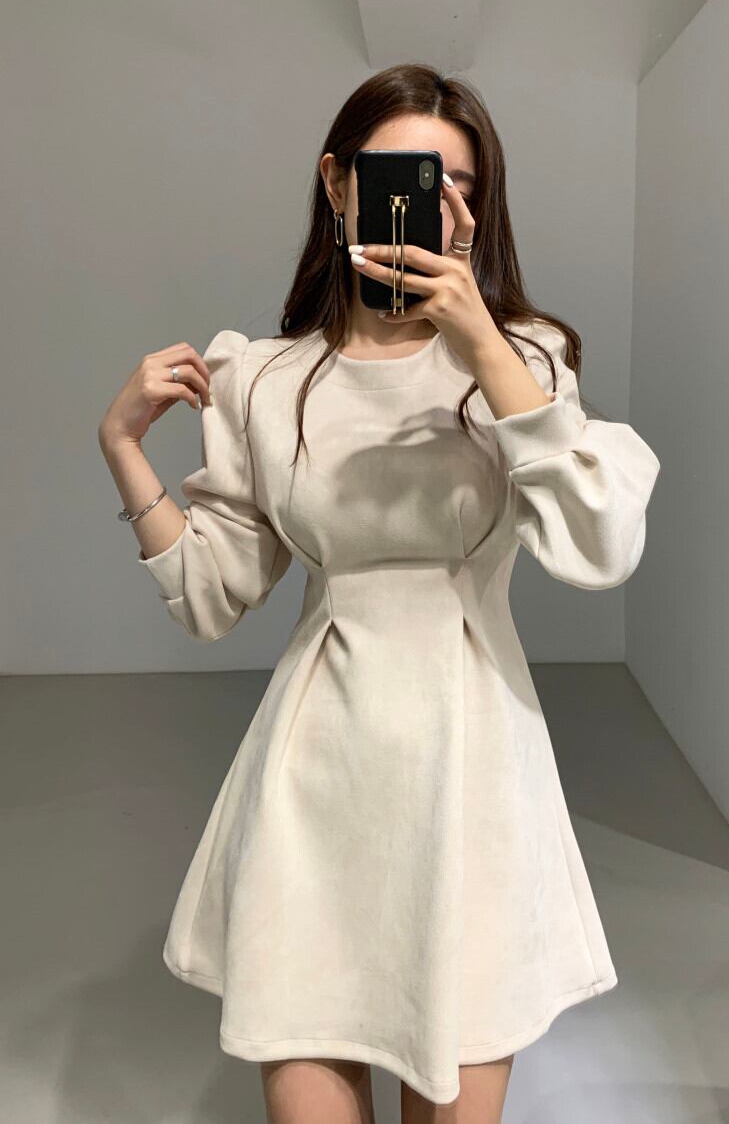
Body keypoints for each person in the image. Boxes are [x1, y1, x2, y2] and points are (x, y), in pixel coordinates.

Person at [98, 63, 661, 1124]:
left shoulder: (522, 361)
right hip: (314, 782)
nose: (428, 203)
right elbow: (212, 594)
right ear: (337, 183)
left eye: (457, 185)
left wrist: (482, 343)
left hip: (474, 776)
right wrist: (124, 449)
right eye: (400, 174)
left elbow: (599, 545)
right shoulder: (266, 378)